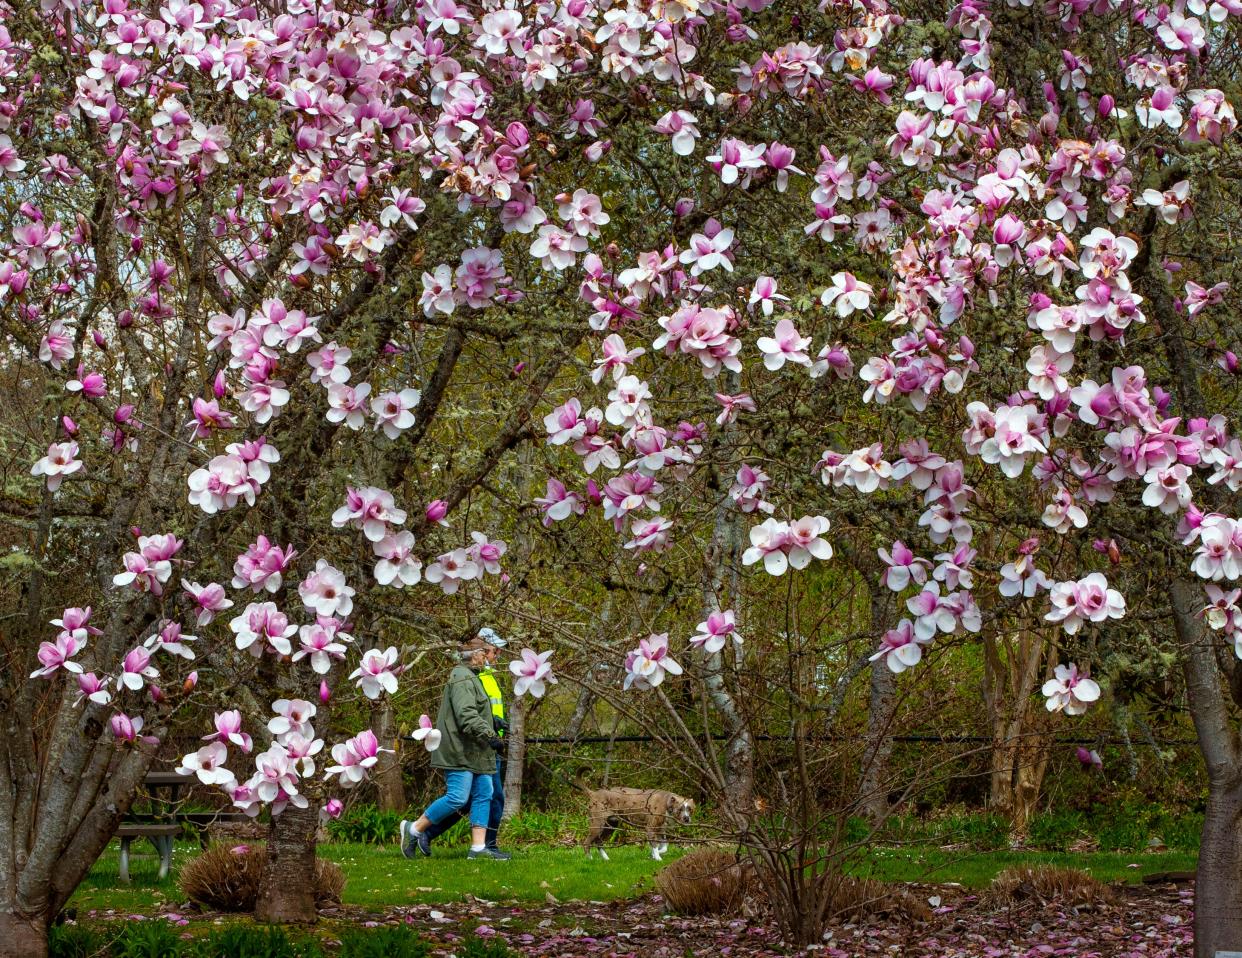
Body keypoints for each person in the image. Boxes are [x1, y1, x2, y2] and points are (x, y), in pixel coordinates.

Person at [400, 635, 510, 861]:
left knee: (484, 794)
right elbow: (465, 714)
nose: (490, 657)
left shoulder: (474, 676)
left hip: (477, 751)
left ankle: (478, 849)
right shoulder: (461, 676)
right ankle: (413, 829)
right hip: (461, 749)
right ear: (477, 654)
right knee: (458, 797)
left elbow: (476, 709)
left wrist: (493, 722)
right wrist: (490, 734)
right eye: (487, 653)